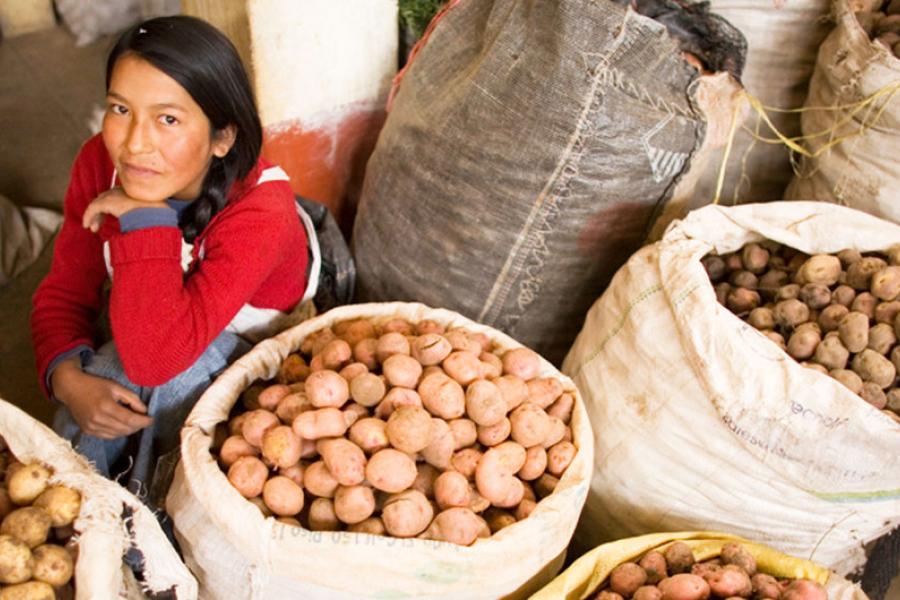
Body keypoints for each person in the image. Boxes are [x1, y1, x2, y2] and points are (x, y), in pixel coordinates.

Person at [30, 15, 311, 516]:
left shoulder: (261, 213)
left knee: (154, 378)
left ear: (222, 137)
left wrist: (146, 217)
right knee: (103, 380)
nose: (135, 143)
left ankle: (143, 525)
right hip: (157, 324)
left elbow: (156, 360)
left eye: (169, 119)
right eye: (120, 108)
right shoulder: (99, 160)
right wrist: (67, 380)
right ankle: (61, 511)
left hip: (250, 343)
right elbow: (65, 290)